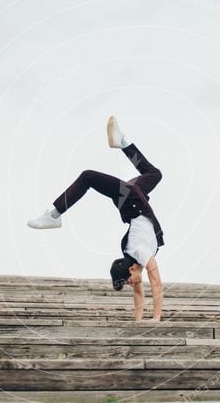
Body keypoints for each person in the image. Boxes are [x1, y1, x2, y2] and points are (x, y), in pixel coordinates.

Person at [28, 116, 164, 322]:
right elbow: (145, 289)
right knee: (154, 174)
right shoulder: (139, 258)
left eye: (127, 282)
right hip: (135, 201)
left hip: (132, 201)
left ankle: (53, 215)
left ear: (129, 269)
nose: (133, 284)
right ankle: (122, 141)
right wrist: (142, 321)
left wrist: (155, 317)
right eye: (129, 283)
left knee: (88, 177)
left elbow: (153, 284)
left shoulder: (138, 252)